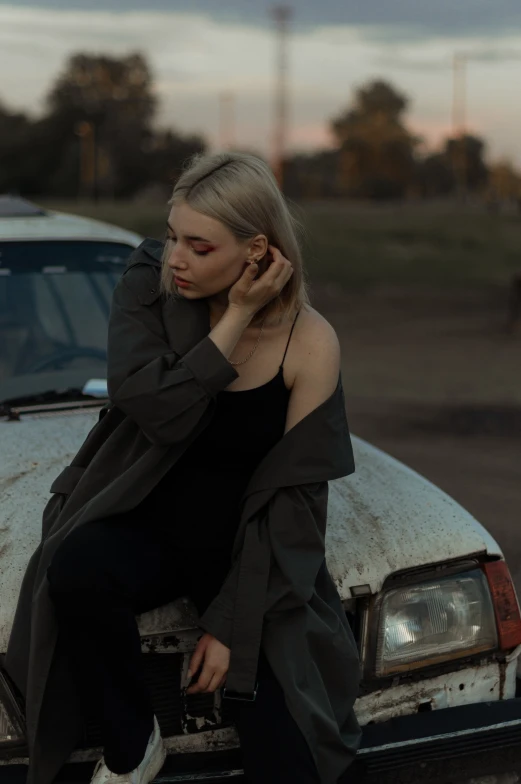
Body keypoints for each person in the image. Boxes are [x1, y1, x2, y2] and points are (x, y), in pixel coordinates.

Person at [5, 151, 361, 784]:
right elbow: (158, 409)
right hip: (155, 523)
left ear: (258, 251)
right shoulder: (150, 282)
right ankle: (133, 746)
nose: (175, 258)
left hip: (246, 547)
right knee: (75, 564)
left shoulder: (310, 342)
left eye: (199, 247)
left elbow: (296, 501)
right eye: (172, 235)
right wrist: (237, 318)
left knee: (286, 744)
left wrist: (229, 627)